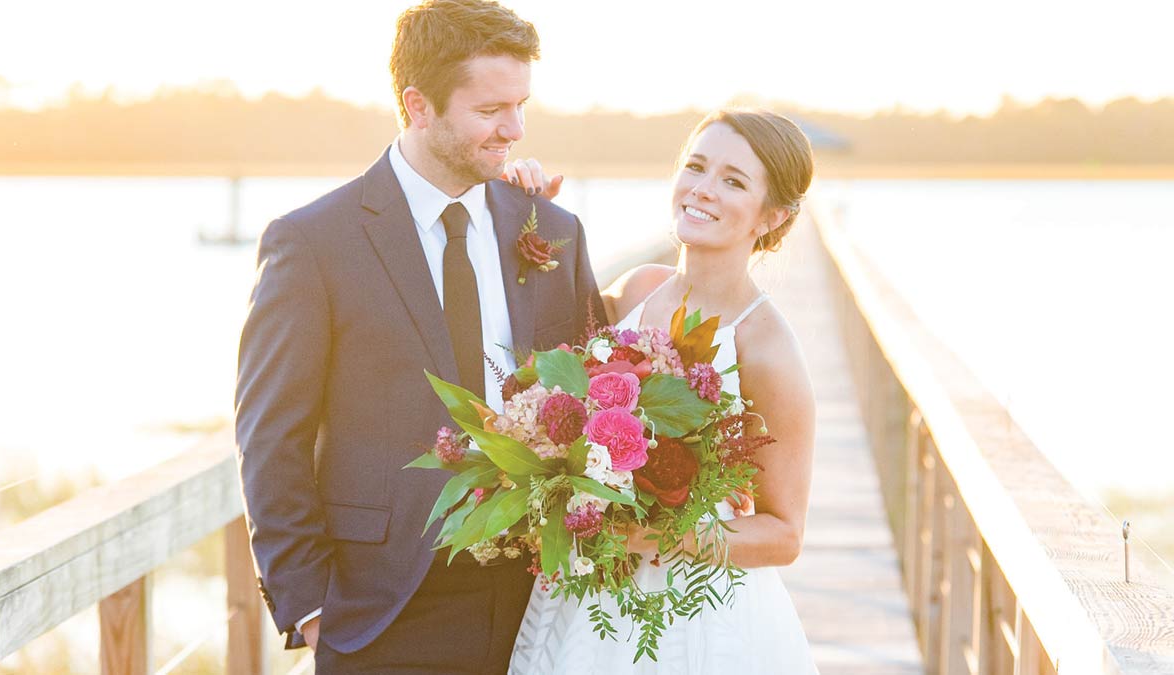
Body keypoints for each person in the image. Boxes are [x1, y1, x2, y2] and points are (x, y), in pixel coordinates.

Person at [233, 1, 605, 672]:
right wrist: (313, 611)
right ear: (419, 104)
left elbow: (600, 393)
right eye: (491, 110)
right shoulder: (314, 242)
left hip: (541, 602)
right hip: (382, 611)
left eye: (520, 105)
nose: (513, 129)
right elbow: (269, 436)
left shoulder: (551, 230)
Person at [504, 109, 819, 673]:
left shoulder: (766, 345)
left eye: (733, 181)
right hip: (588, 595)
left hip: (691, 608)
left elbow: (784, 534)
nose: (702, 190)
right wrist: (527, 217)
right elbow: (546, 363)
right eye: (695, 167)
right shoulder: (638, 290)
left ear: (773, 216)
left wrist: (649, 534)